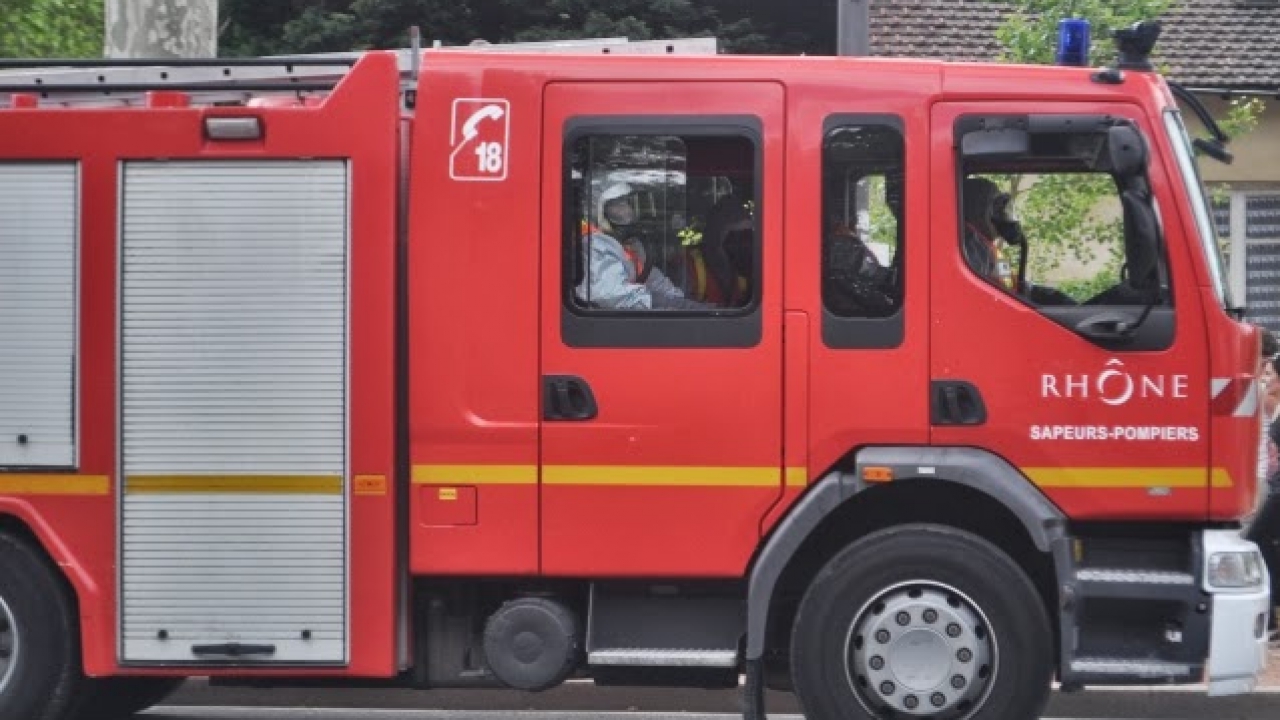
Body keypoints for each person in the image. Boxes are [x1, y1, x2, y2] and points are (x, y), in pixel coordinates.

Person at [575, 179, 707, 311]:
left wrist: (678, 300)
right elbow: (610, 294)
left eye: (627, 203)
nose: (627, 210)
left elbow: (649, 276)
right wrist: (657, 302)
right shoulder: (594, 244)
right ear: (598, 210)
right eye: (617, 205)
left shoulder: (624, 243)